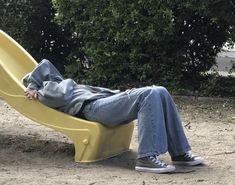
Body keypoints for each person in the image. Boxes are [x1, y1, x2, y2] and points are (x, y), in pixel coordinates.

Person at [23, 59, 204, 174]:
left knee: (160, 91)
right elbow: (47, 70)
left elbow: (46, 66)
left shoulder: (63, 83)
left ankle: (179, 153)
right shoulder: (47, 88)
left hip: (102, 102)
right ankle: (147, 158)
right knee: (148, 94)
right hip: (92, 109)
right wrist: (33, 86)